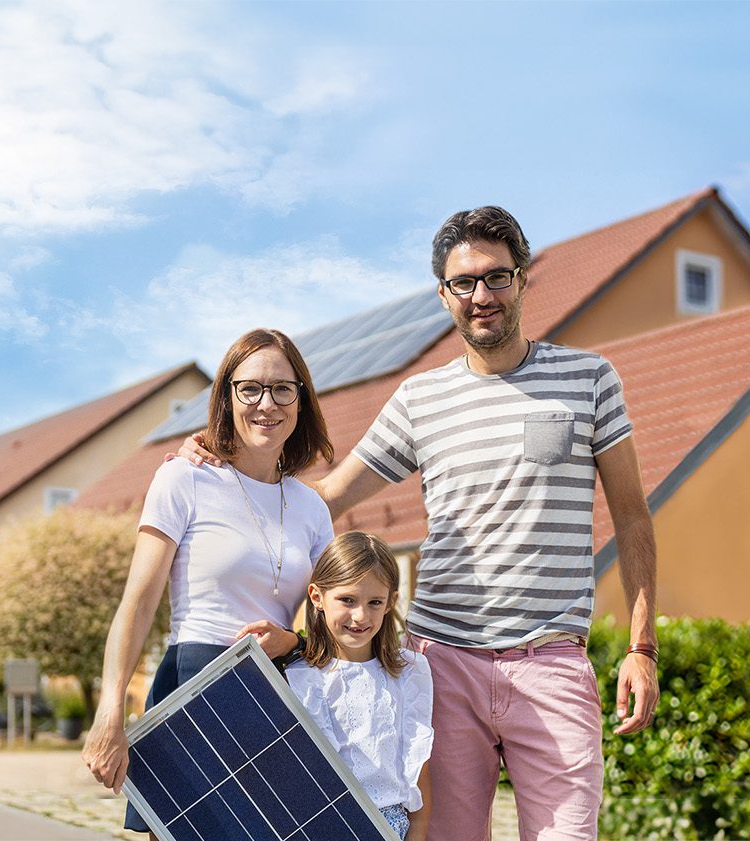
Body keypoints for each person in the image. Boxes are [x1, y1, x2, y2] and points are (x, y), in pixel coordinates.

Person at [180, 206, 659, 840]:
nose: (481, 296)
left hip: (552, 662)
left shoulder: (590, 378)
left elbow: (632, 516)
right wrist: (227, 460)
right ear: (443, 294)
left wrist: (641, 647)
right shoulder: (420, 398)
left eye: (496, 277)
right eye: (464, 282)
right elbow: (325, 498)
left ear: (522, 280)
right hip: (442, 667)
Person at [82, 328, 336, 836]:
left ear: (302, 399)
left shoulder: (312, 508)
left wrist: (295, 642)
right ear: (227, 397)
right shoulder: (184, 478)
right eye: (250, 388)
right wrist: (110, 711)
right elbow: (137, 603)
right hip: (191, 685)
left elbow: (334, 622)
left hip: (276, 690)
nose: (267, 403)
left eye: (284, 388)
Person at [287, 531, 432, 841]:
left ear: (391, 601)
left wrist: (417, 832)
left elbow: (417, 763)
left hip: (389, 825)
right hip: (321, 827)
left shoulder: (409, 672)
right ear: (317, 597)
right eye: (347, 600)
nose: (361, 615)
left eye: (374, 602)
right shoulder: (299, 677)